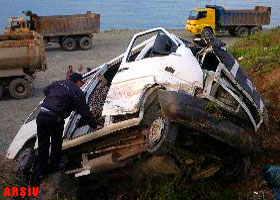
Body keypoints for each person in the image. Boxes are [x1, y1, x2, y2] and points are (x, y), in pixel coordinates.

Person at [35, 73, 98, 182]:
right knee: (56, 143)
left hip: (42, 115)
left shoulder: (57, 83)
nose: (81, 85)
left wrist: (58, 100)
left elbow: (46, 91)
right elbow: (84, 112)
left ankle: (40, 173)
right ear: (78, 82)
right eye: (81, 83)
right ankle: (54, 168)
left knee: (43, 144)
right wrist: (95, 125)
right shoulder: (77, 91)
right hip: (55, 118)